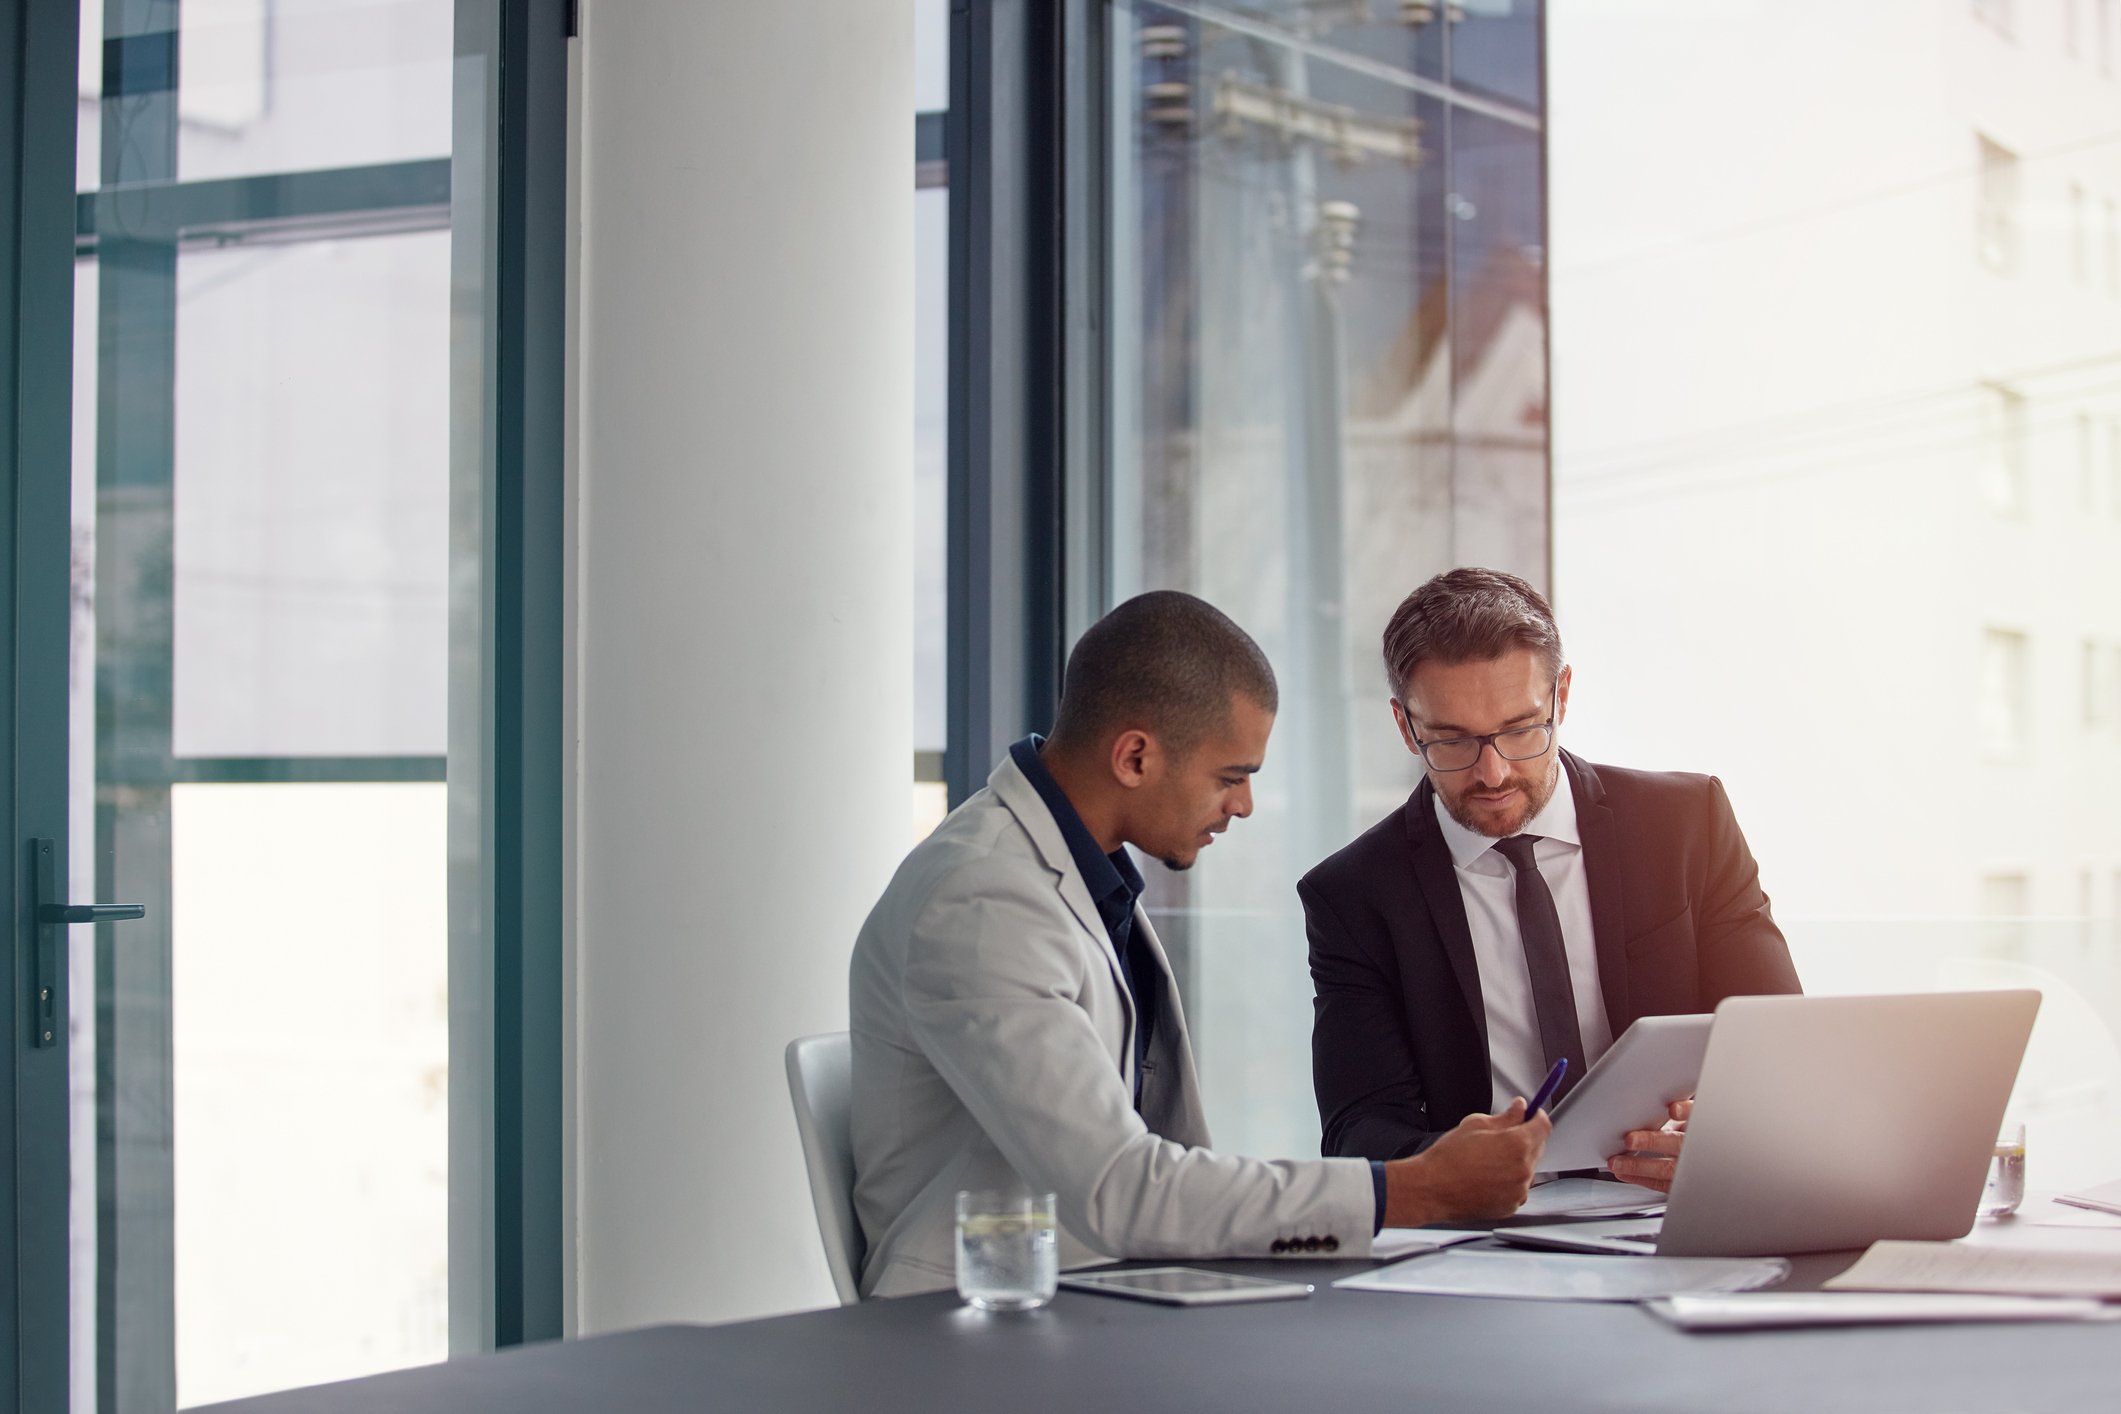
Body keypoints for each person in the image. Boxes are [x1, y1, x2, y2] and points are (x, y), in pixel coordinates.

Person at [850, 590, 1549, 1298]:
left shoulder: (1077, 877)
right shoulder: (982, 899)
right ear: (1133, 757)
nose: (1242, 805)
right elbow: (1118, 1189)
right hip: (979, 1328)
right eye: (1230, 777)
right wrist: (1410, 1190)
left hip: (1098, 1296)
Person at [1302, 568, 1801, 1193]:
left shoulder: (1685, 823)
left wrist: (1729, 1132)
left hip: (1680, 1206)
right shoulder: (1353, 896)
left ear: (1561, 697)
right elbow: (1358, 1129)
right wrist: (1451, 1166)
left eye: (1520, 729)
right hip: (1490, 1232)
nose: (1493, 773)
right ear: (1406, 727)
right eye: (1452, 741)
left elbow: (1784, 1046)